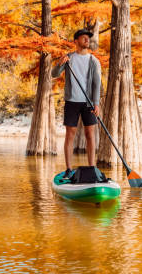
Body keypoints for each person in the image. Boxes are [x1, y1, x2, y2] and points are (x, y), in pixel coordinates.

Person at [52, 28, 102, 179]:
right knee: (70, 135)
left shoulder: (94, 61)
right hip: (72, 101)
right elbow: (54, 74)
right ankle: (68, 169)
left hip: (88, 103)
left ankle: (92, 168)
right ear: (76, 41)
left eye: (88, 38)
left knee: (90, 135)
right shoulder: (69, 58)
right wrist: (60, 63)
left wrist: (96, 103)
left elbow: (96, 84)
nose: (87, 40)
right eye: (83, 38)